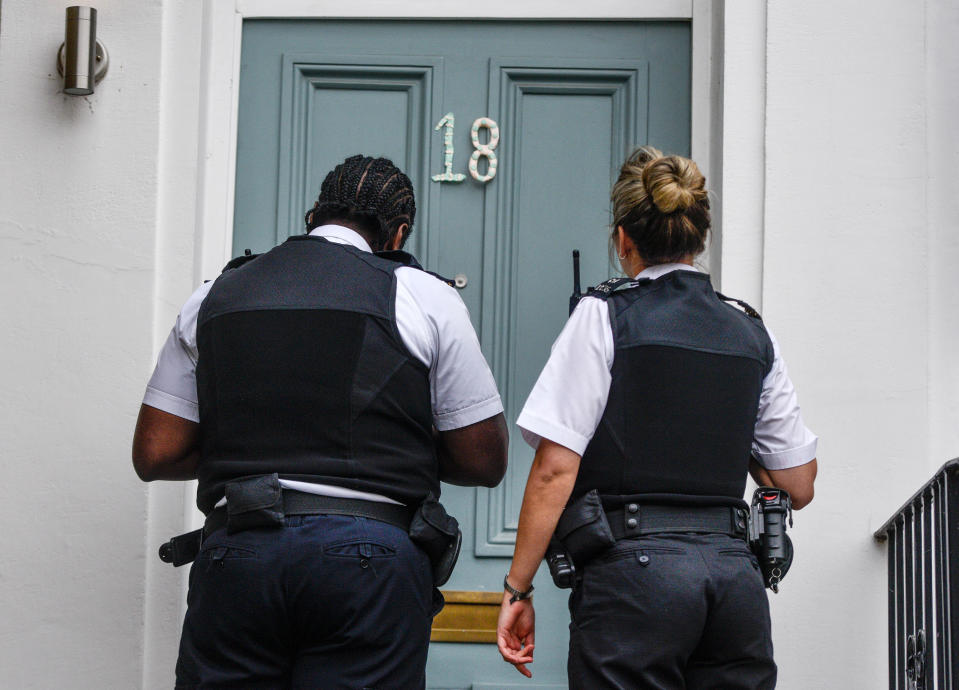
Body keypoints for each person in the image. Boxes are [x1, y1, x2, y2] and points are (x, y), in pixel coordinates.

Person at [132, 155, 508, 689]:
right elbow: (483, 460)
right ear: (398, 232)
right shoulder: (424, 296)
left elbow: (156, 453)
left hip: (239, 553)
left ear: (313, 215)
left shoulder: (214, 294)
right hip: (369, 563)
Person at [496, 147, 817, 688]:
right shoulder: (751, 331)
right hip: (735, 583)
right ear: (698, 236)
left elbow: (555, 468)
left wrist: (518, 589)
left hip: (634, 584)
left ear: (624, 239)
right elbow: (798, 484)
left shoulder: (604, 315)